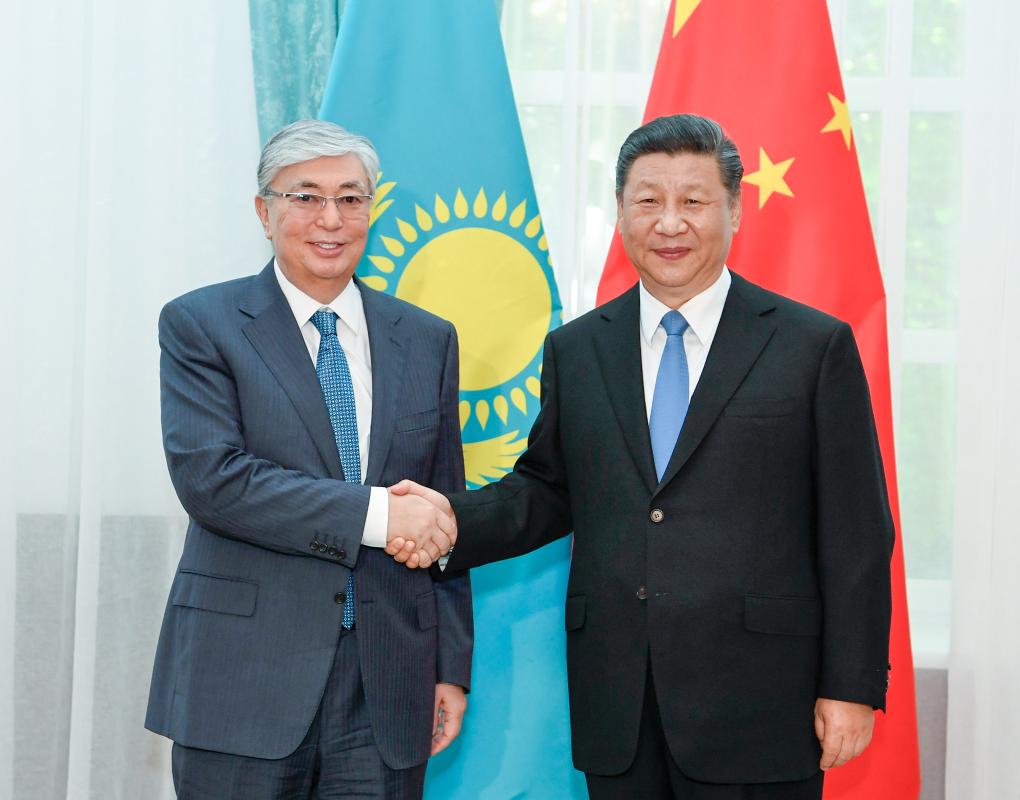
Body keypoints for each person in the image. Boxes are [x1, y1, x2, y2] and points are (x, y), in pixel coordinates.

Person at [388, 113, 893, 799]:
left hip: (761, 703)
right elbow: (547, 489)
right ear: (621, 212)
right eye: (648, 200)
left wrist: (851, 683)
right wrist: (447, 519)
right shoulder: (578, 349)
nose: (669, 222)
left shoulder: (811, 346)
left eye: (694, 200)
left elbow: (856, 529)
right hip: (620, 701)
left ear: (735, 211)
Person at [145, 119, 472, 800]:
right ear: (264, 212)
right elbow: (213, 480)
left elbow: (442, 510)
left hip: (387, 685)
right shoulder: (202, 324)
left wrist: (449, 665)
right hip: (245, 680)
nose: (331, 218)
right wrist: (379, 515)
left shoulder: (428, 339)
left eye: (351, 198)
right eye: (306, 197)